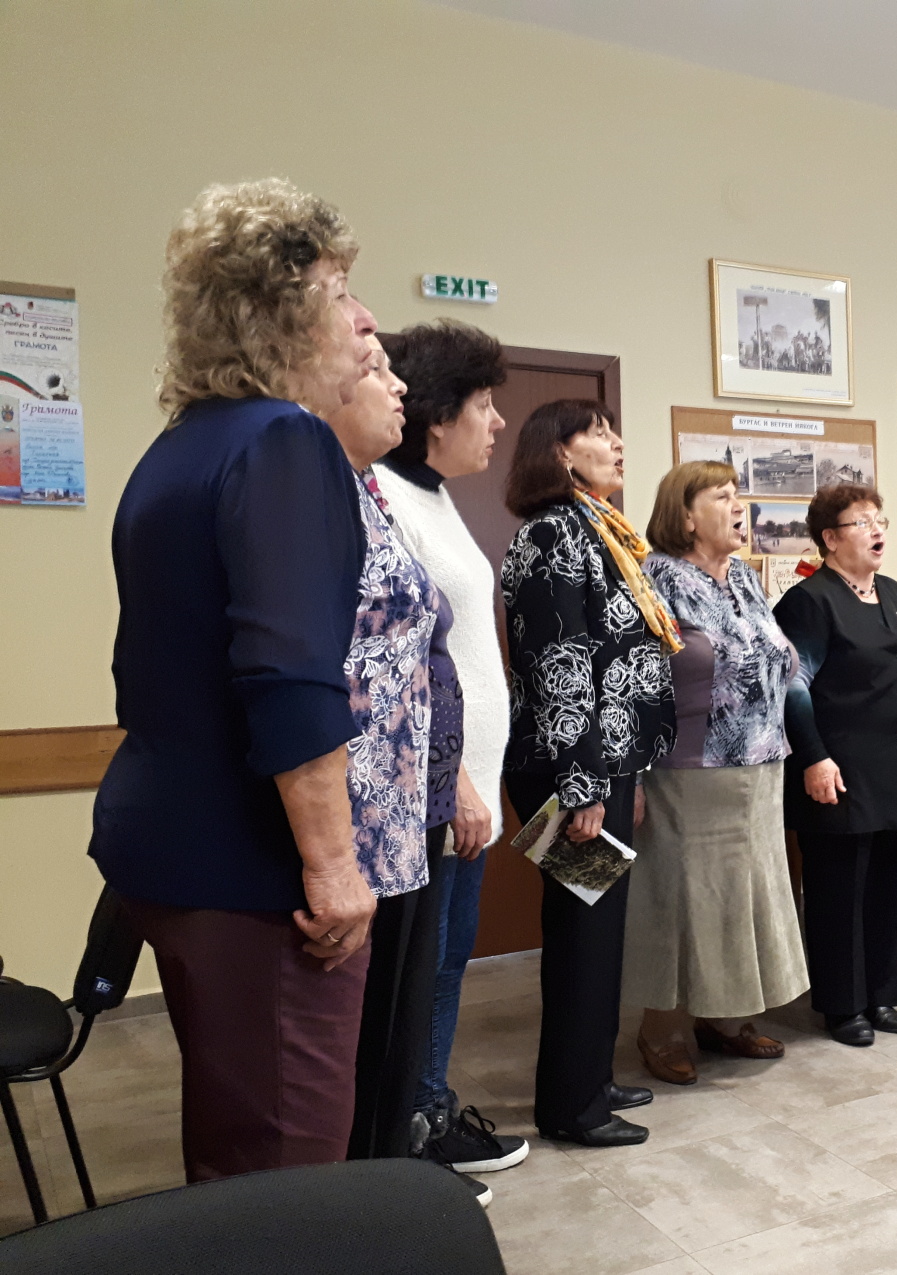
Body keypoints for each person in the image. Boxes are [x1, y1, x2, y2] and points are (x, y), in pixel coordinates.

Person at [90, 179, 379, 1182]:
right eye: (339, 291)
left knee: (234, 1141)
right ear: (276, 312)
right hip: (256, 872)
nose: (363, 316)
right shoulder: (283, 440)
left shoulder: (177, 450)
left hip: (166, 845)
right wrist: (333, 866)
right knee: (284, 1171)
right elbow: (288, 674)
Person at [374, 319, 527, 1172]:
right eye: (483, 404)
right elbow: (404, 664)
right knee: (422, 966)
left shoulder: (435, 495)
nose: (496, 421)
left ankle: (429, 1108)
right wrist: (458, 780)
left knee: (446, 962)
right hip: (438, 788)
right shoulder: (386, 499)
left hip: (467, 782)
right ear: (438, 415)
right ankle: (410, 1130)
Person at [502, 399, 676, 1146]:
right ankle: (572, 1107)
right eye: (598, 433)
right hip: (568, 769)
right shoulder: (551, 533)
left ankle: (592, 1078)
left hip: (605, 764)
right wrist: (583, 788)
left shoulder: (598, 526)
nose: (617, 442)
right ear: (559, 452)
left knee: (601, 934)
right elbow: (561, 664)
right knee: (581, 936)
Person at [626, 461, 809, 1085]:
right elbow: (635, 685)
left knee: (743, 900)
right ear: (685, 515)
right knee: (682, 902)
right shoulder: (655, 577)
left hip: (761, 765)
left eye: (739, 495)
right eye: (723, 497)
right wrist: (631, 776)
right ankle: (662, 1028)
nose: (740, 507)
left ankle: (724, 1018)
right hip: (688, 771)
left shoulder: (746, 578)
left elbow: (781, 659)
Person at [322, 336, 453, 1172]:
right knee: (353, 1050)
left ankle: (387, 1182)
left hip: (402, 804)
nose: (397, 385)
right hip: (353, 813)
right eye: (373, 367)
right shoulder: (314, 488)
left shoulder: (370, 489)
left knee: (395, 1031)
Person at [773, 484, 897, 1046]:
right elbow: (791, 687)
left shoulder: (892, 593)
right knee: (840, 892)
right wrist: (814, 757)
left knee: (894, 887)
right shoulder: (809, 601)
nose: (877, 530)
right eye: (861, 522)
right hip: (841, 770)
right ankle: (843, 1006)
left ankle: (881, 996)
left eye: (879, 520)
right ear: (830, 538)